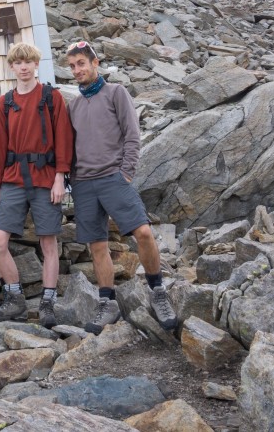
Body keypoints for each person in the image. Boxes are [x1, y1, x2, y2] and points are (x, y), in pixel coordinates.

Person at [66, 40, 177, 333]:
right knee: (98, 245)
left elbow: (132, 134)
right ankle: (108, 303)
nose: (77, 70)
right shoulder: (74, 105)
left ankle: (157, 291)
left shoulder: (116, 93)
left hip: (114, 178)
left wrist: (126, 173)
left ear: (95, 63)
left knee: (142, 231)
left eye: (81, 63)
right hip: (84, 184)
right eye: (73, 66)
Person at [0, 43, 73, 328]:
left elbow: (63, 138)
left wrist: (60, 176)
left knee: (48, 242)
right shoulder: (5, 103)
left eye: (28, 62)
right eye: (18, 62)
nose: (23, 67)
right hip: (12, 179)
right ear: (12, 67)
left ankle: (48, 304)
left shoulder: (51, 97)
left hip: (46, 179)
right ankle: (15, 299)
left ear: (36, 65)